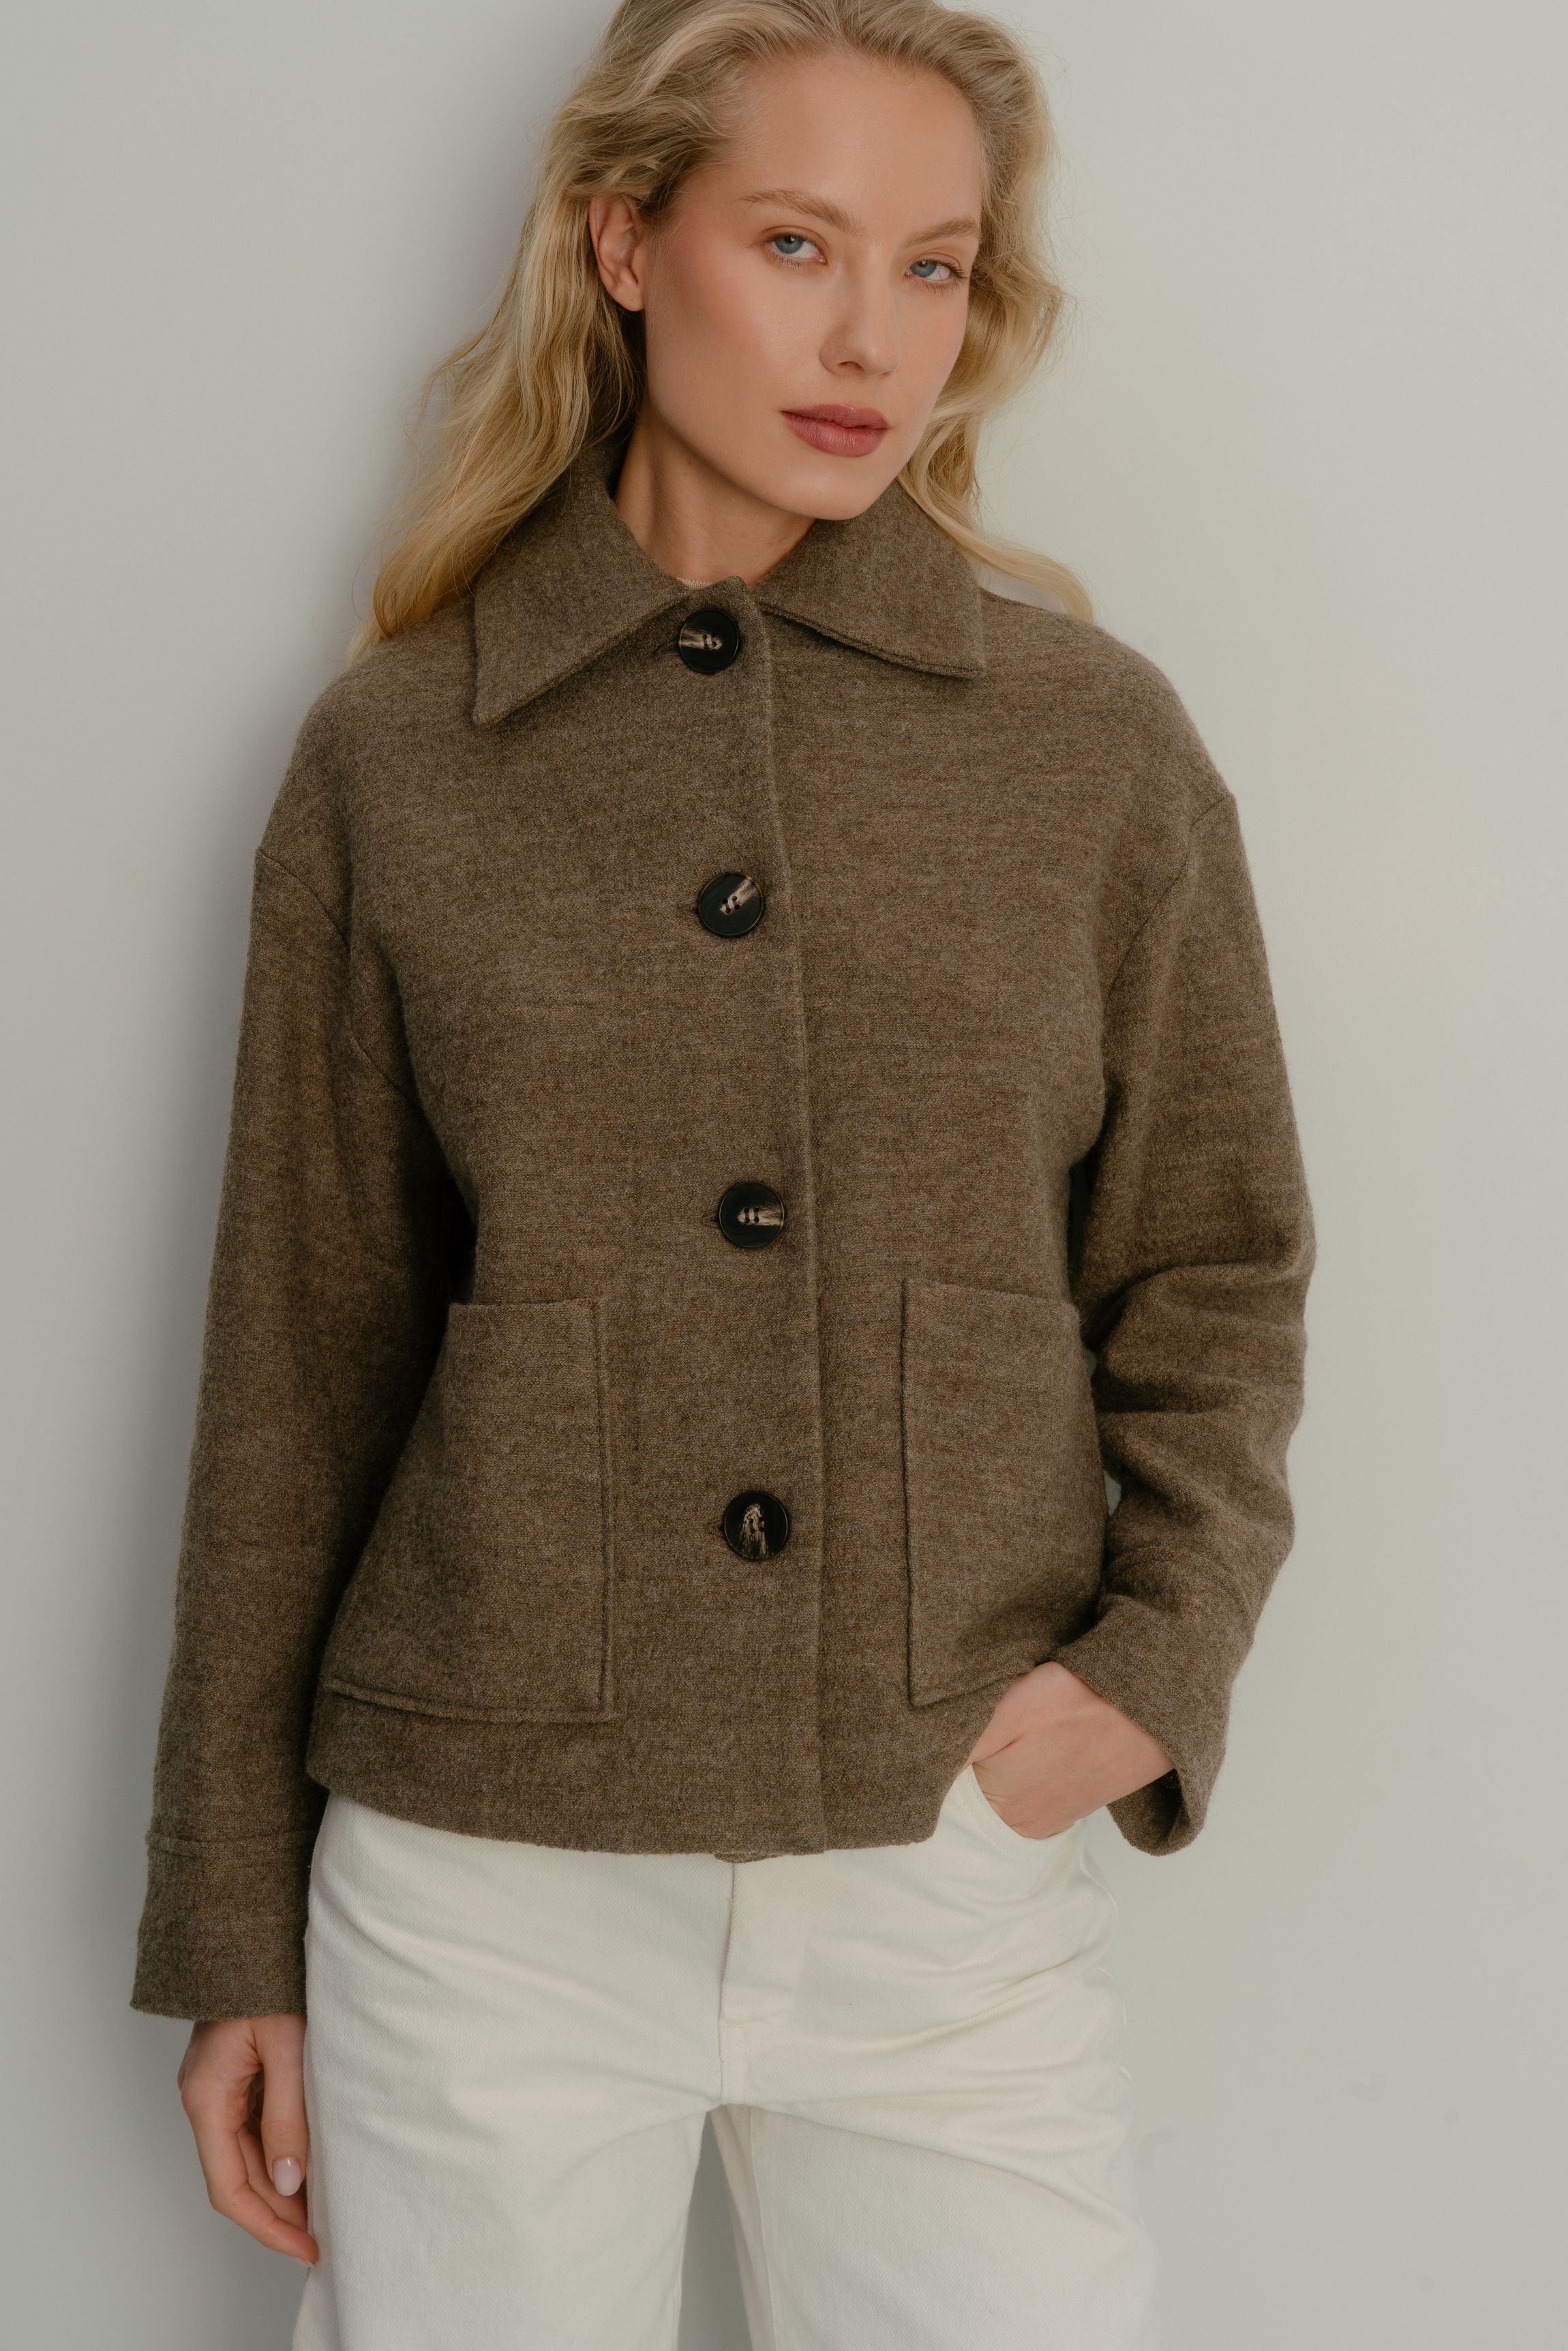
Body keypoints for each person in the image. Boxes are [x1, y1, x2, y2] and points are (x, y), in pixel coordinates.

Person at [132, 2, 1314, 2343]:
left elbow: (1213, 1260)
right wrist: (232, 1925)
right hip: (483, 1892)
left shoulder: (1085, 743)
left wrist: (1151, 1667)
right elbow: (299, 1352)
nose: (872, 338)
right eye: (796, 243)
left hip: (938, 1860)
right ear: (624, 242)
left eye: (931, 266)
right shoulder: (404, 753)